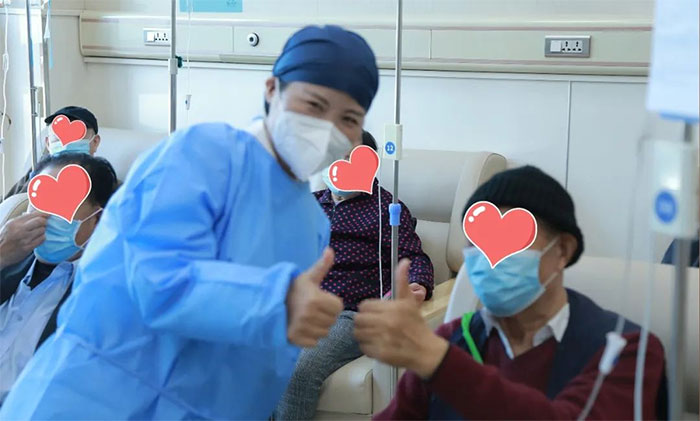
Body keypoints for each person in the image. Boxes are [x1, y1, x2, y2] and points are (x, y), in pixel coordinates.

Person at [0, 25, 380, 420]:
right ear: (273, 90)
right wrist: (273, 301)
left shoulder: (311, 226)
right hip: (93, 398)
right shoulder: (201, 155)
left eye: (349, 118)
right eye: (315, 105)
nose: (328, 128)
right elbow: (153, 279)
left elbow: (261, 366)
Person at [354, 166, 668, 420]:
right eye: (477, 241)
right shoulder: (454, 340)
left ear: (562, 250)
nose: (489, 256)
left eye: (513, 240)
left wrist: (436, 359)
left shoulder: (625, 351)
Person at [275, 131, 435, 420]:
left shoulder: (385, 209)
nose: (342, 164)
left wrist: (417, 285)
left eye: (351, 158)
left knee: (297, 370)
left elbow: (412, 257)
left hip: (349, 313)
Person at [0, 153, 118, 404]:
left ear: (97, 219)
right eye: (39, 201)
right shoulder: (8, 260)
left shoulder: (100, 294)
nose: (42, 216)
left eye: (61, 205)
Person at [0, 106, 101, 272]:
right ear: (48, 143)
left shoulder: (105, 185)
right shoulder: (35, 176)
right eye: (57, 137)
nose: (66, 142)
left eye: (76, 134)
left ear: (95, 142)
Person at [2, 106, 101, 201]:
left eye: (75, 138)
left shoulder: (101, 178)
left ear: (95, 142)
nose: (65, 144)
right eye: (57, 139)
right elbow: (7, 203)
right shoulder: (38, 170)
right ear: (48, 144)